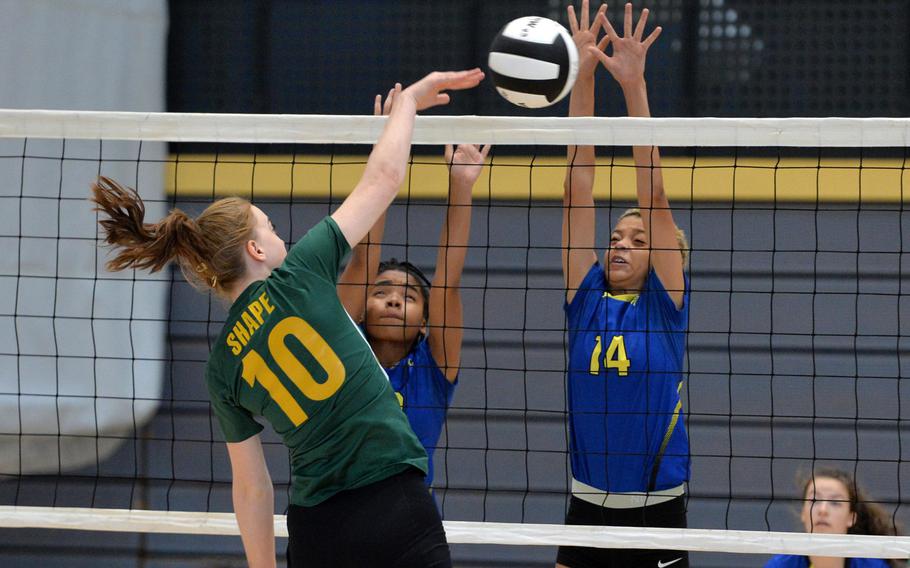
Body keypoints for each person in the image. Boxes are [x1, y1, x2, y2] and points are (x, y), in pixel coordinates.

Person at [91, 68, 484, 568]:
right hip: (391, 502)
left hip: (317, 527)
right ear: (256, 249)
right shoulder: (302, 272)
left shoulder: (221, 368)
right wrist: (407, 105)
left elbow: (252, 488)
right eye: (270, 227)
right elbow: (383, 179)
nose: (281, 236)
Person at [557, 2, 691, 567]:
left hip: (656, 505)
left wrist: (634, 86)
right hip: (587, 501)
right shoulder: (585, 296)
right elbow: (576, 186)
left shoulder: (666, 307)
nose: (621, 244)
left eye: (638, 240)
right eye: (617, 236)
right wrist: (583, 77)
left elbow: (653, 194)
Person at [337, 92, 489, 487]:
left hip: (411, 517)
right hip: (338, 510)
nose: (391, 299)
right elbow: (363, 258)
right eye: (381, 292)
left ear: (426, 321)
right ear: (362, 309)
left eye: (407, 297)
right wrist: (384, 158)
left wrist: (461, 186)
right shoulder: (341, 350)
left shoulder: (434, 366)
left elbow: (447, 282)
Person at [765, 468, 901, 568]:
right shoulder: (782, 565)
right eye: (814, 500)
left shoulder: (871, 565)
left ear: (851, 518)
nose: (823, 510)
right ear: (803, 513)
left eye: (835, 502)